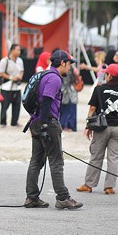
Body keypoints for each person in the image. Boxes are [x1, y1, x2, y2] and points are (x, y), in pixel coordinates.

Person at [24, 49, 83, 210]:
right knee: (56, 161)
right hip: (48, 123)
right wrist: (45, 125)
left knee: (36, 161)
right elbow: (47, 101)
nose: (69, 67)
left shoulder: (44, 75)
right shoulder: (54, 78)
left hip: (36, 121)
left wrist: (40, 124)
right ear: (62, 63)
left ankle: (31, 197)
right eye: (69, 64)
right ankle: (63, 198)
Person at [76, 63, 118, 195]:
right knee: (114, 158)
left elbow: (92, 108)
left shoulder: (99, 89)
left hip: (102, 127)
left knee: (96, 156)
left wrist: (88, 126)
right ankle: (109, 187)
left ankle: (89, 185)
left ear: (109, 76)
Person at [0, 43, 24, 127]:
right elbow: (0, 72)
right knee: (5, 105)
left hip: (17, 87)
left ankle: (14, 121)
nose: (19, 52)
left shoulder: (20, 60)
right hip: (6, 87)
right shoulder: (5, 61)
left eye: (19, 50)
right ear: (12, 50)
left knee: (17, 105)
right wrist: (11, 78)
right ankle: (3, 122)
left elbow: (22, 70)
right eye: (17, 50)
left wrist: (20, 76)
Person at [59, 63, 80, 131]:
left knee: (66, 110)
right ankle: (70, 126)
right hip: (71, 92)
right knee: (71, 109)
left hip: (68, 92)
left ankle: (66, 126)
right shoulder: (71, 67)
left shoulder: (67, 68)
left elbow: (66, 81)